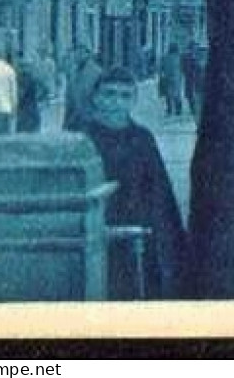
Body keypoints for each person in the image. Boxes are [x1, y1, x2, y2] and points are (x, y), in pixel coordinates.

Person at [84, 68, 188, 299]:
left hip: (137, 235)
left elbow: (162, 194)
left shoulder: (142, 138)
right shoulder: (83, 140)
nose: (116, 103)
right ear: (96, 98)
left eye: (124, 96)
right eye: (109, 94)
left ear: (133, 101)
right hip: (97, 235)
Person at [64, 44, 104, 130]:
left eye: (81, 52)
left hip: (91, 121)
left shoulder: (97, 73)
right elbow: (69, 101)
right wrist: (66, 123)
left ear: (88, 54)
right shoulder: (73, 73)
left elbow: (102, 100)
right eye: (76, 52)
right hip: (75, 122)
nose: (78, 55)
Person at [14, 51, 46, 133]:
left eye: (23, 66)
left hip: (25, 113)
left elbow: (20, 95)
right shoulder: (34, 77)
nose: (22, 69)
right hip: (33, 111)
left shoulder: (21, 79)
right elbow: (45, 89)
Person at [158, 44, 185, 118]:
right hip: (176, 78)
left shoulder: (165, 58)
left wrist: (162, 75)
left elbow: (161, 68)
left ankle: (170, 110)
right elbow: (182, 68)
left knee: (168, 95)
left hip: (168, 78)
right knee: (177, 94)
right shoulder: (179, 57)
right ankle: (178, 110)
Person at [181, 45, 205, 120]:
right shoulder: (188, 58)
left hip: (197, 81)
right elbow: (184, 68)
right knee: (192, 95)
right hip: (193, 80)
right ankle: (194, 109)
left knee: (195, 96)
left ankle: (196, 109)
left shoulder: (194, 58)